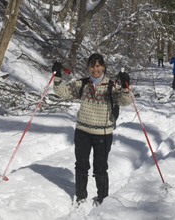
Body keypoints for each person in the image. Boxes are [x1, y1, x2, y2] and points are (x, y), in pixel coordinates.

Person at [52, 54, 132, 205]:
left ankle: (103, 199)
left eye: (97, 66)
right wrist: (57, 76)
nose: (95, 69)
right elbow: (62, 92)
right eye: (92, 66)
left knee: (100, 168)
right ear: (88, 67)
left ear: (103, 67)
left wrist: (126, 85)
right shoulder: (82, 84)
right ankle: (81, 197)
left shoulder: (111, 86)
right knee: (81, 166)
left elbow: (124, 101)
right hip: (82, 131)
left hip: (103, 133)